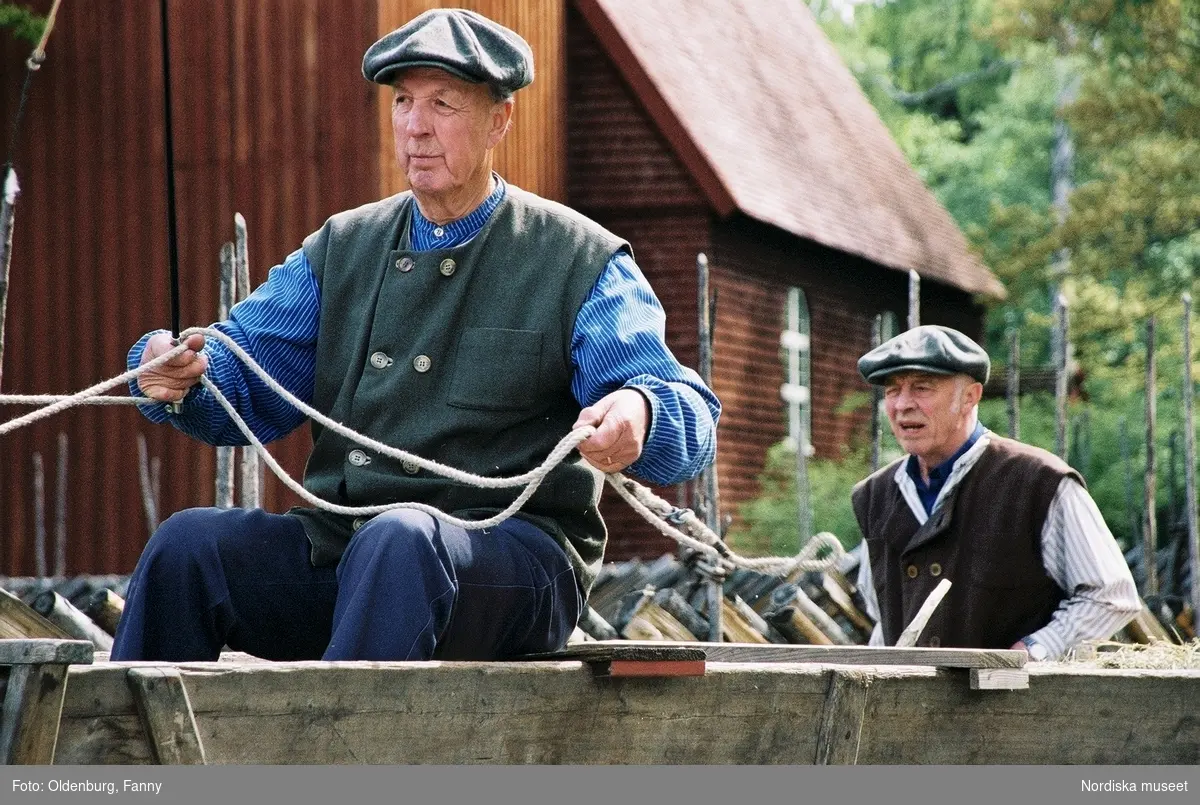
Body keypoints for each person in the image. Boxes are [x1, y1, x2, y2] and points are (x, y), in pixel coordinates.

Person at [111, 9, 719, 663]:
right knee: (187, 548)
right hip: (346, 549)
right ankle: (124, 761)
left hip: (512, 564)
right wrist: (174, 375)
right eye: (403, 102)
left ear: (499, 121)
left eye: (443, 104)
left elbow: (689, 415)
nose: (416, 126)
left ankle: (337, 761)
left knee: (399, 542)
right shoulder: (343, 248)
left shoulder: (575, 258)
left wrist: (641, 412)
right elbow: (242, 369)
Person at [852, 325, 1139, 660]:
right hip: (915, 707)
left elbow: (1110, 596)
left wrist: (1034, 651)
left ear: (970, 396)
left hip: (1020, 707)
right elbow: (882, 618)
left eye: (922, 388)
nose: (903, 404)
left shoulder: (1039, 483)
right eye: (892, 391)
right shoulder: (875, 496)